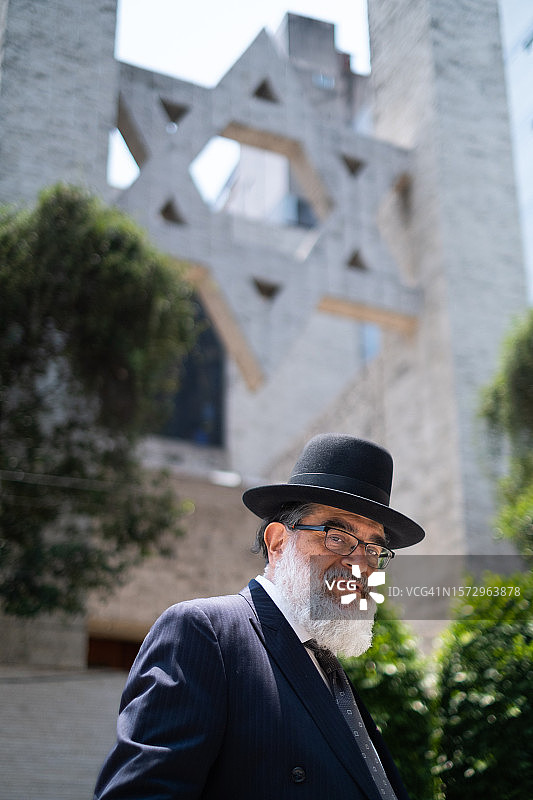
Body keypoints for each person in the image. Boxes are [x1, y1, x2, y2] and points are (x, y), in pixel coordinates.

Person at [94, 433, 425, 800]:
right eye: (337, 536)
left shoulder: (325, 665)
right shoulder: (206, 633)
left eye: (375, 548)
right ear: (278, 542)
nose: (360, 564)